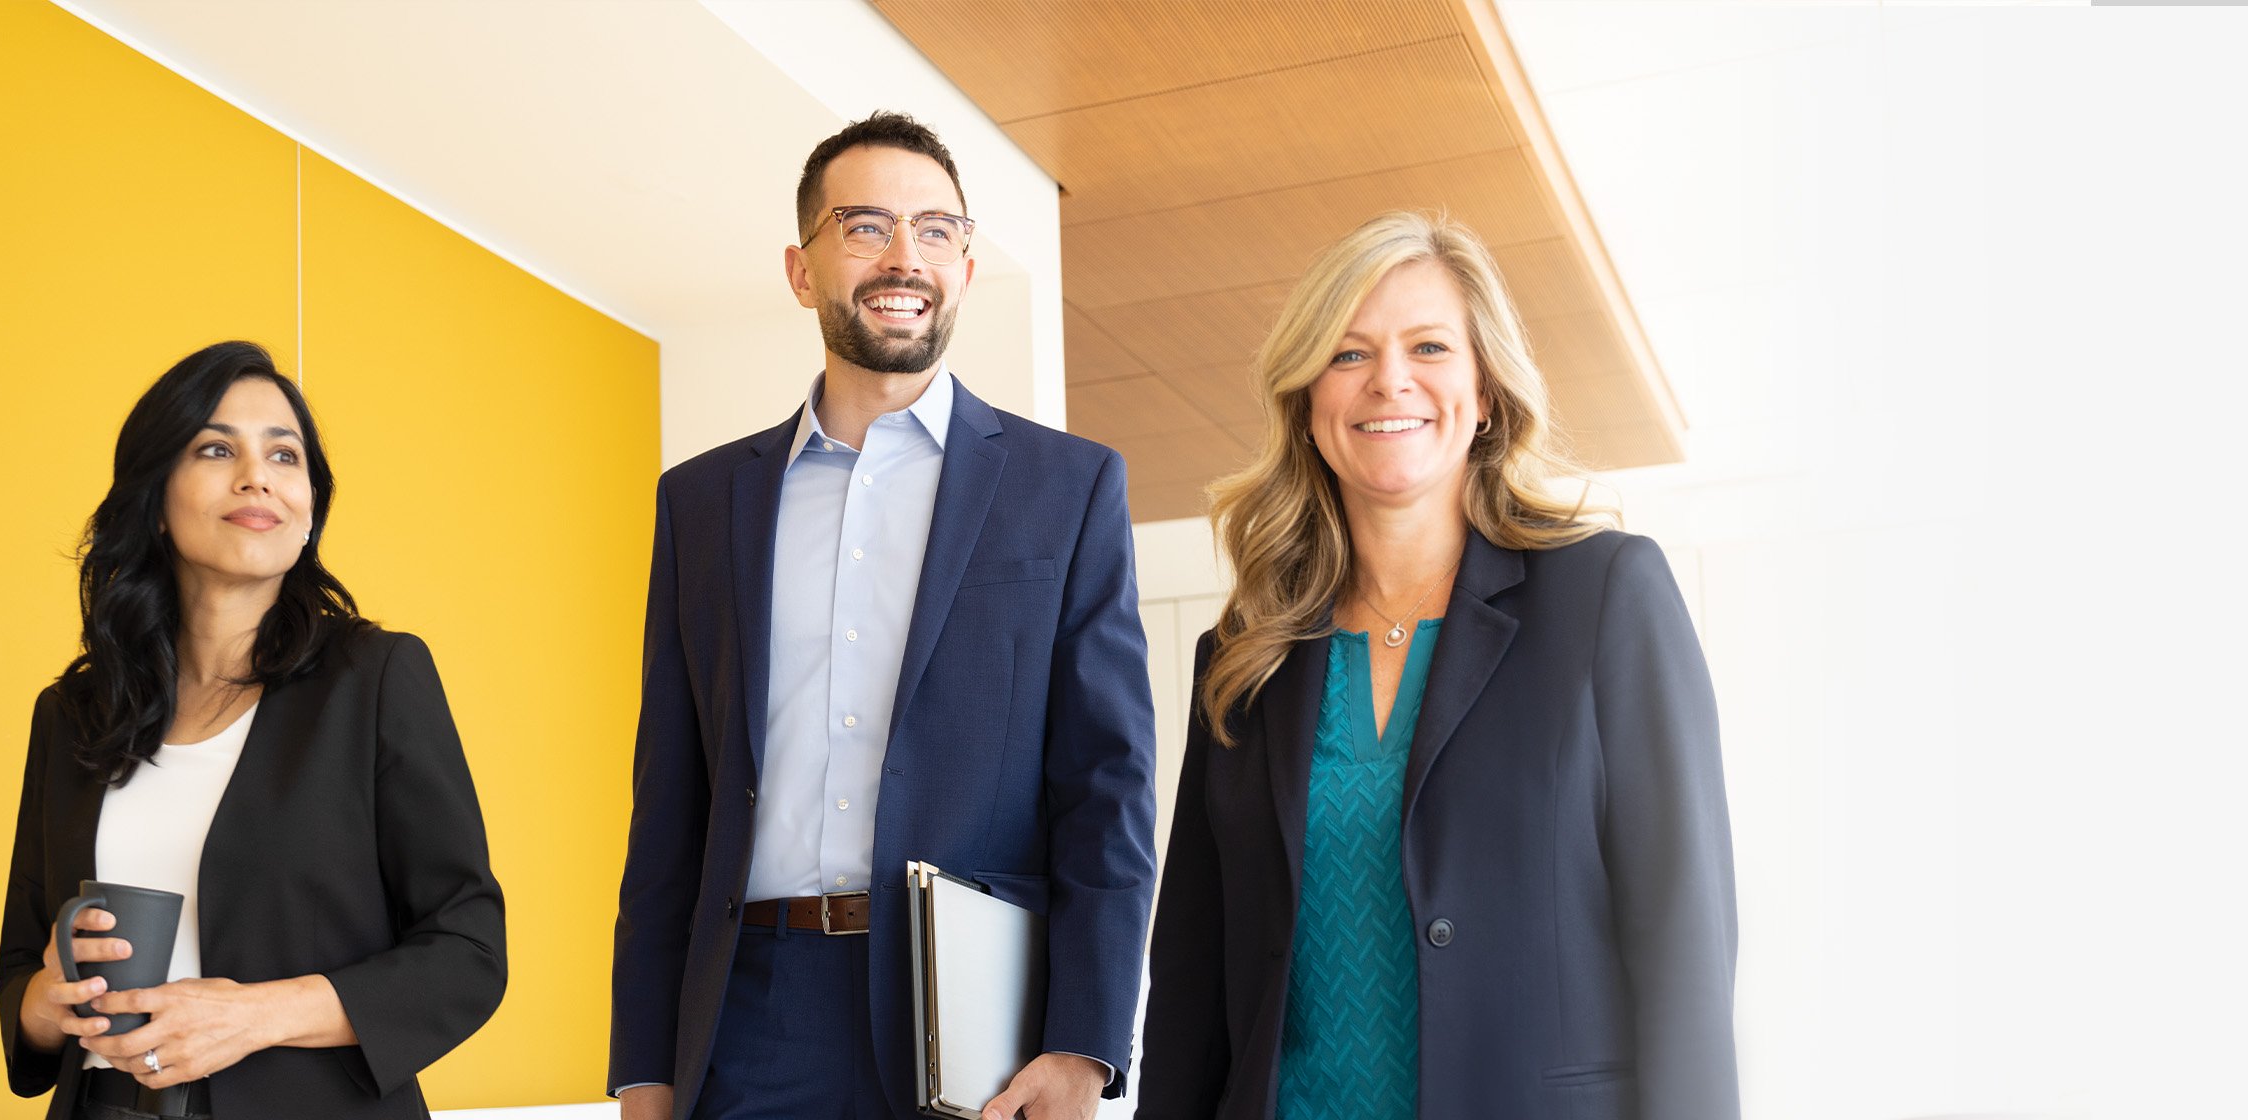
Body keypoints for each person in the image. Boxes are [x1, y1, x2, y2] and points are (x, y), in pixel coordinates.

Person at [608, 111, 1156, 1120]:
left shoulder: (1065, 488)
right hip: (750, 1017)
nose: (906, 257)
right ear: (801, 266)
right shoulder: (700, 503)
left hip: (972, 1026)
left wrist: (1086, 1040)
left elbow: (1107, 792)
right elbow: (670, 804)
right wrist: (644, 1061)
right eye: (865, 227)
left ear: (968, 265)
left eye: (937, 230)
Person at [1138, 211, 1739, 1120]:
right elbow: (1190, 980)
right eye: (1347, 354)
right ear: (1307, 402)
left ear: (1486, 390)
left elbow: (1684, 942)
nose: (1388, 381)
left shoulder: (1605, 597)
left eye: (1428, 347)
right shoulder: (1242, 659)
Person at [0, 341, 507, 1120]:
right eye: (215, 448)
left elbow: (467, 954)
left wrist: (252, 1016)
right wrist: (42, 1003)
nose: (257, 475)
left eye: (283, 454)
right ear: (155, 497)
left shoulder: (373, 679)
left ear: (308, 507)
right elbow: (23, 963)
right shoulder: (72, 714)